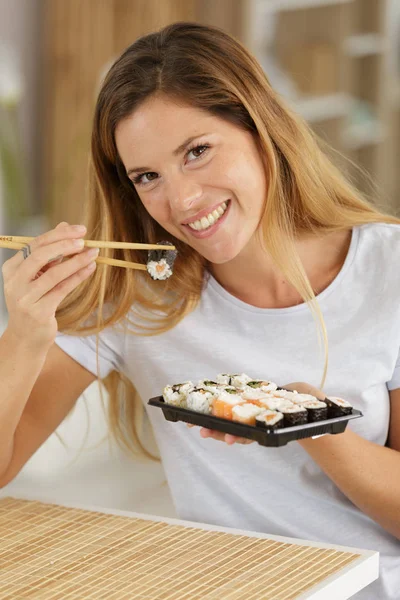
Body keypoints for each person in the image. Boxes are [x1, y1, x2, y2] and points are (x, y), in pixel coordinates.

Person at [0, 22, 399, 599]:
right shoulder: (134, 295)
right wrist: (25, 334)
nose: (182, 201)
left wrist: (307, 424)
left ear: (261, 129)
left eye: (197, 151)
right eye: (147, 176)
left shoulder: (387, 270)